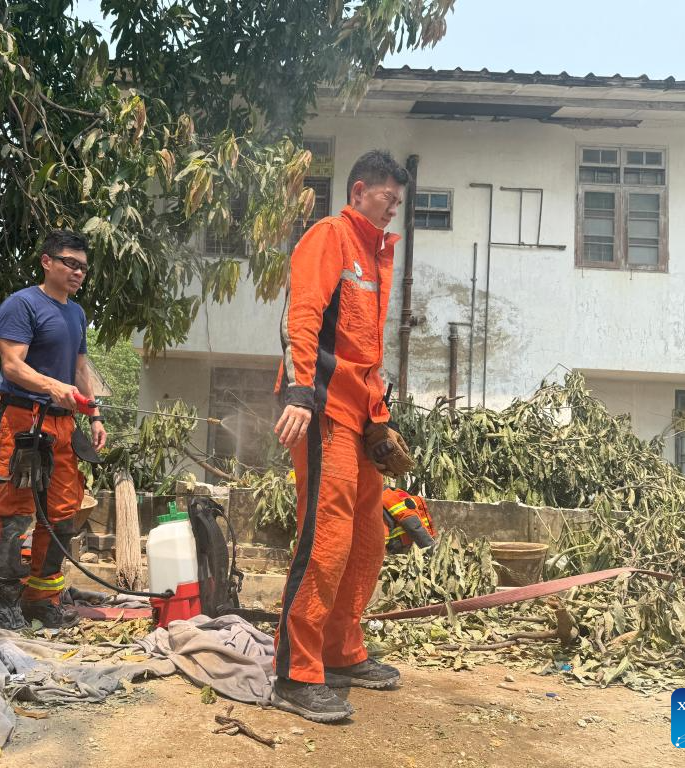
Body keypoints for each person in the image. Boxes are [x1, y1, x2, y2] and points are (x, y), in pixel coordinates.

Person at [272, 150, 409, 722]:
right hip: (323, 408)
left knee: (367, 538)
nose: (394, 208)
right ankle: (296, 672)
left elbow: (365, 352)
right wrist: (300, 392)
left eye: (398, 202)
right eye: (387, 198)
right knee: (326, 536)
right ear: (358, 192)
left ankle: (340, 651)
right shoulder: (330, 236)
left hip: (360, 414)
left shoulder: (378, 255)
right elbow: (302, 316)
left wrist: (380, 419)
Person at [0, 229, 107, 630]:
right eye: (70, 263)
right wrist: (52, 386)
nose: (78, 272)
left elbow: (80, 369)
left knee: (62, 513)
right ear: (47, 262)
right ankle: (4, 604)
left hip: (63, 424)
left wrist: (95, 415)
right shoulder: (22, 304)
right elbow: (12, 366)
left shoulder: (76, 313)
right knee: (15, 512)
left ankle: (41, 599)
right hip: (24, 420)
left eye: (83, 267)